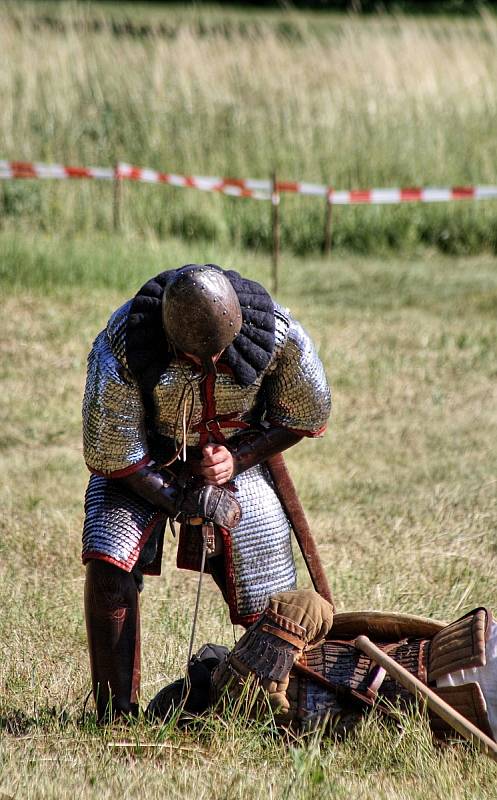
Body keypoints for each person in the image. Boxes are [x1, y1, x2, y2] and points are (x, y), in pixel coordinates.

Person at [82, 264, 331, 720]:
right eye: (196, 358)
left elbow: (305, 411)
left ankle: (264, 700)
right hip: (143, 465)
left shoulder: (277, 333)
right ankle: (113, 711)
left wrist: (240, 456)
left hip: (234, 465)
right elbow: (112, 447)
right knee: (108, 559)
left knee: (271, 594)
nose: (210, 366)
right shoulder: (123, 343)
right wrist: (178, 497)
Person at [147, 588, 497, 745]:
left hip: (450, 682)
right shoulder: (239, 694)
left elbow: (308, 610)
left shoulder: (254, 730)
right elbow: (310, 606)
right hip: (450, 685)